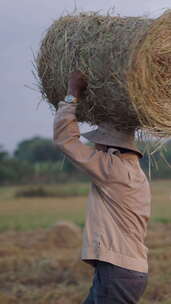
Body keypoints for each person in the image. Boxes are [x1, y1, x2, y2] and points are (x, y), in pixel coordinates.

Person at [53, 71, 151, 304]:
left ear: (110, 147)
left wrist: (72, 96)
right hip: (122, 271)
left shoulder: (113, 170)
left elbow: (65, 140)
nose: (94, 145)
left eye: (98, 141)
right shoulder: (133, 173)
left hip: (118, 272)